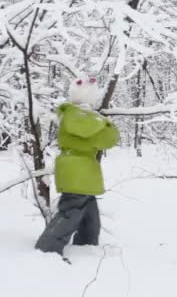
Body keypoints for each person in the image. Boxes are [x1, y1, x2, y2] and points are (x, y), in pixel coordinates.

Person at [35, 76, 119, 257]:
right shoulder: (88, 120)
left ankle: (86, 248)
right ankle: (46, 251)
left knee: (90, 217)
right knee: (69, 213)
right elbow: (109, 140)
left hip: (79, 172)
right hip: (79, 173)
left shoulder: (72, 116)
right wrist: (106, 123)